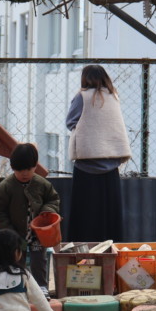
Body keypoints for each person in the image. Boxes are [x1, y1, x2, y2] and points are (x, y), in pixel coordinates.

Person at [65, 65, 131, 242]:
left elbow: (70, 122)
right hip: (111, 166)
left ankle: (83, 248)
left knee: (85, 215)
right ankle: (111, 248)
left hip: (86, 165)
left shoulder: (82, 96)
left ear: (85, 78)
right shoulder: (113, 96)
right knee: (110, 215)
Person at [0, 143, 60, 298]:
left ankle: (41, 286)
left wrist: (47, 212)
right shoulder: (6, 186)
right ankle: (17, 286)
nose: (24, 173)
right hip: (16, 235)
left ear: (35, 166)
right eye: (19, 170)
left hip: (37, 234)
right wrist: (7, 231)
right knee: (15, 259)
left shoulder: (42, 184)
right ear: (13, 168)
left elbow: (53, 199)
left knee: (39, 260)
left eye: (28, 169)